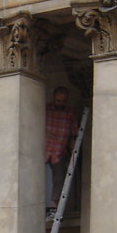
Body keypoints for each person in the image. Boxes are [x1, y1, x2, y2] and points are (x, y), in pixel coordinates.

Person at [45, 85, 78, 220]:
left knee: (58, 179)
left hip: (59, 151)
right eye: (58, 101)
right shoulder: (46, 110)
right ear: (54, 98)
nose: (60, 103)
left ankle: (54, 208)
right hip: (44, 149)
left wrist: (73, 153)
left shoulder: (70, 113)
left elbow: (73, 135)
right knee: (38, 178)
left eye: (63, 101)